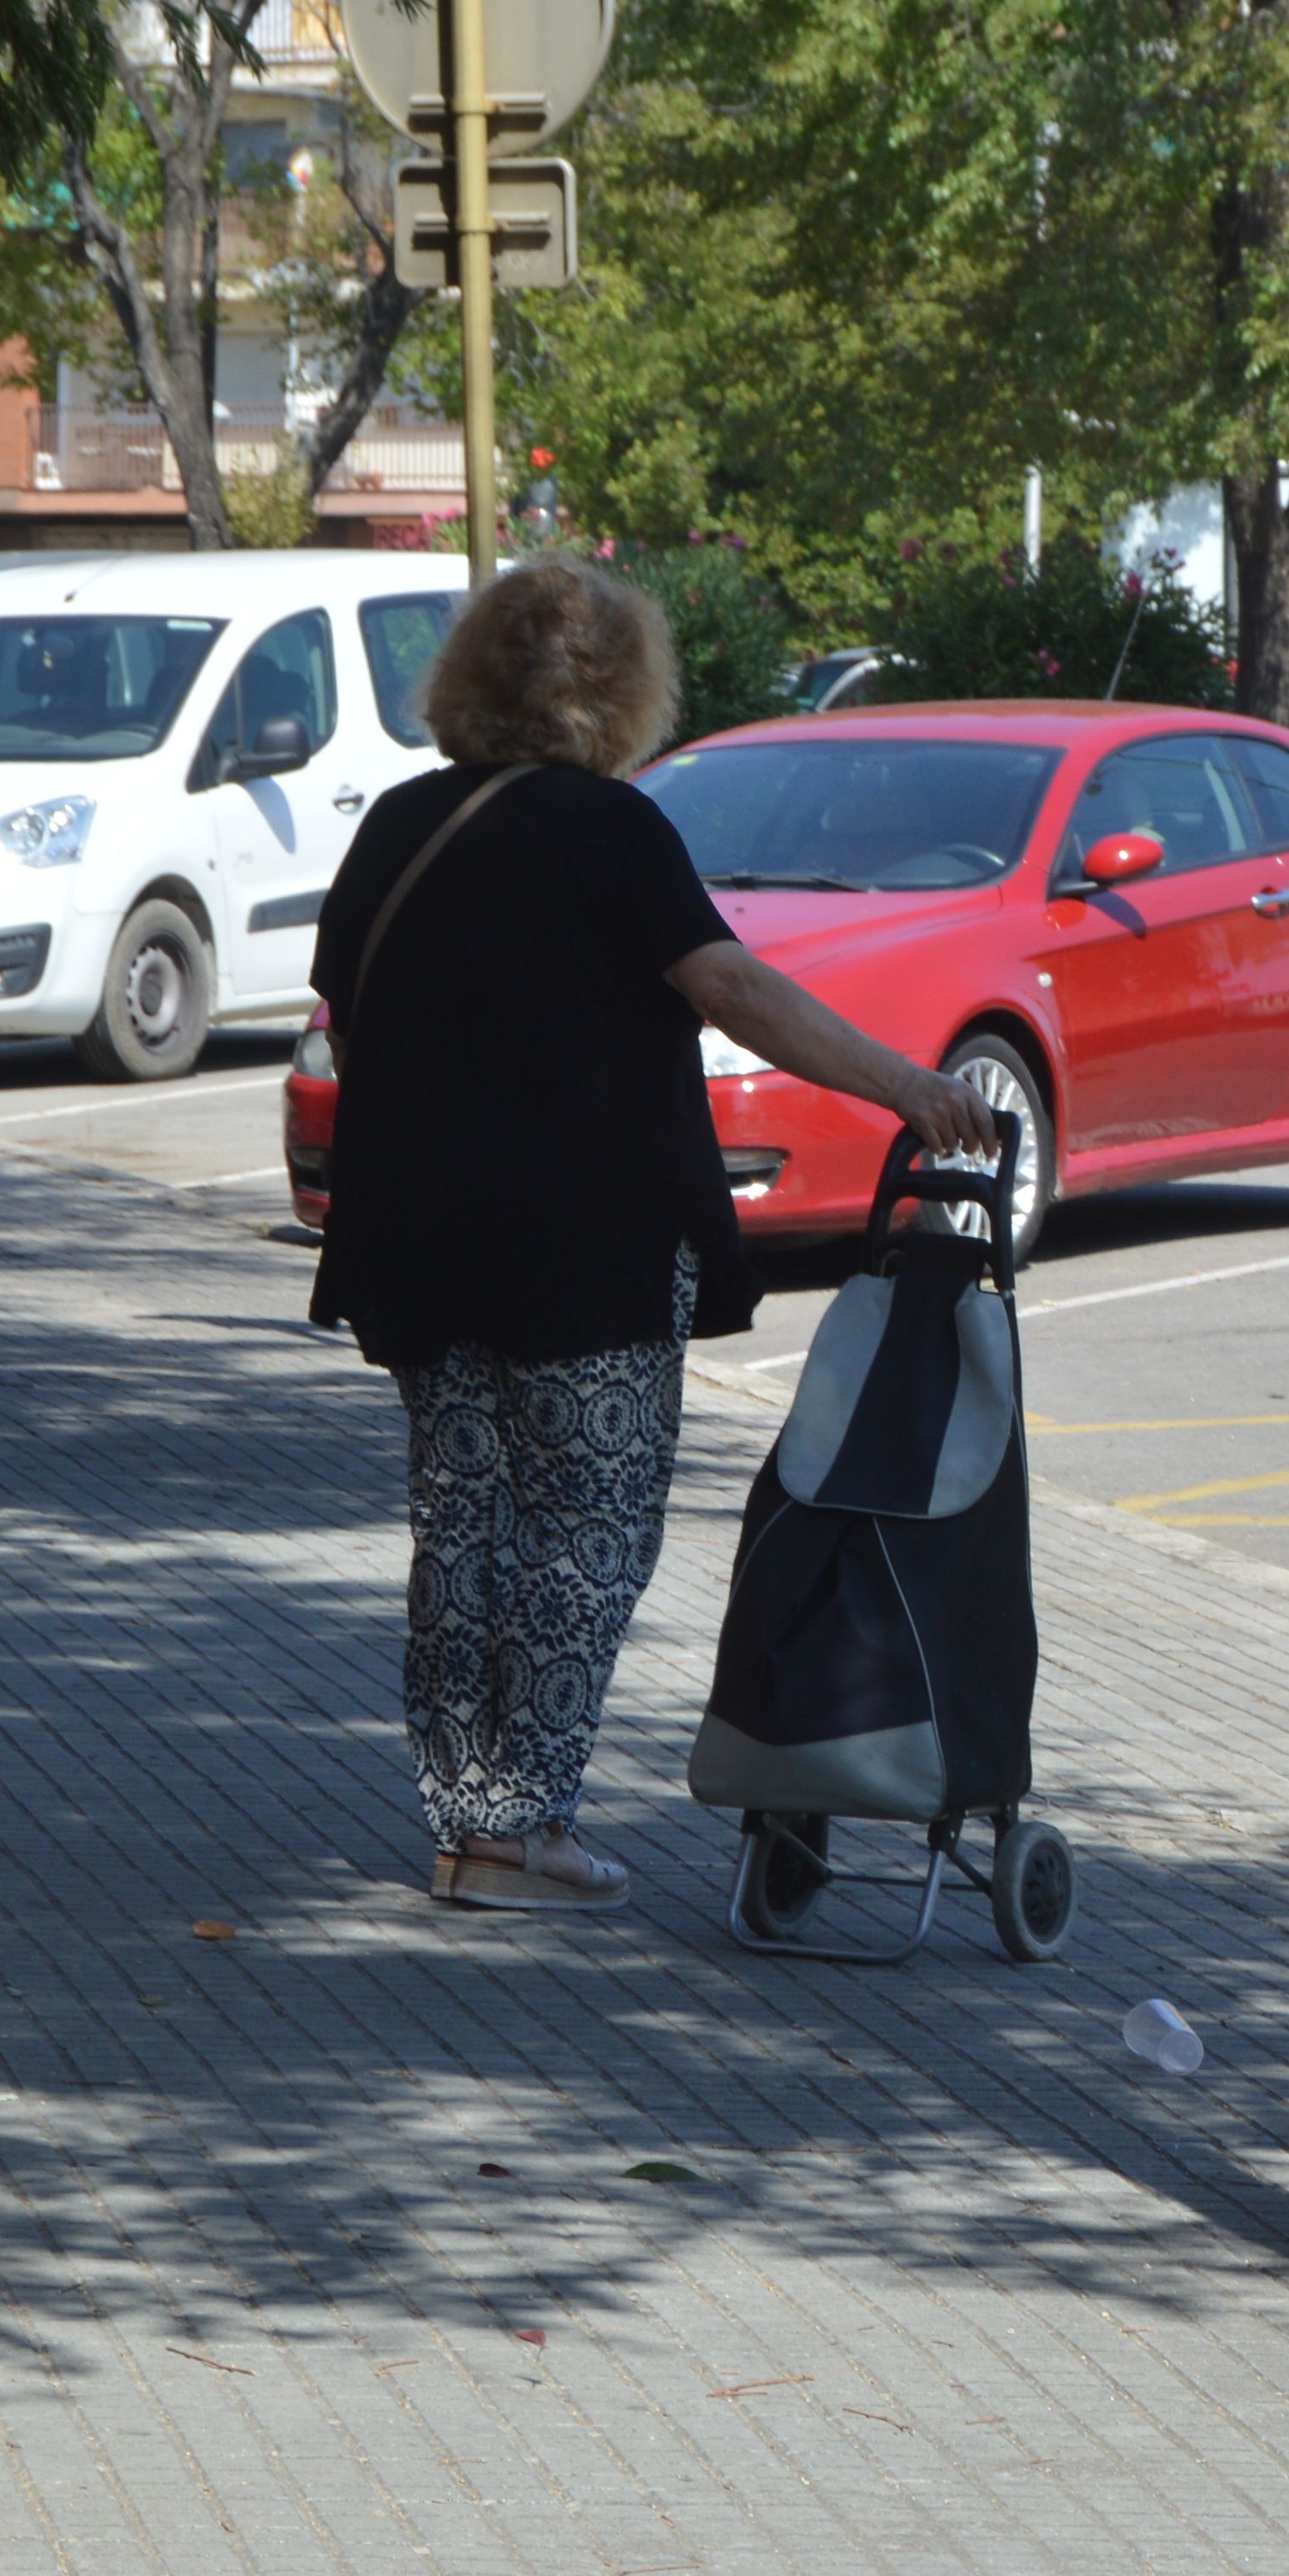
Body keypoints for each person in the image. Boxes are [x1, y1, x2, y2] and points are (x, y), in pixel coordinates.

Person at [308, 562, 1001, 1907]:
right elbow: (733, 989)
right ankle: (522, 1823)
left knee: (460, 1525)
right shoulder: (612, 832)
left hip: (415, 1237)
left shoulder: (397, 824)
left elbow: (347, 1006)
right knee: (590, 1529)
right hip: (588, 1248)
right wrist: (909, 1086)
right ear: (623, 692)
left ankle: (466, 1827)